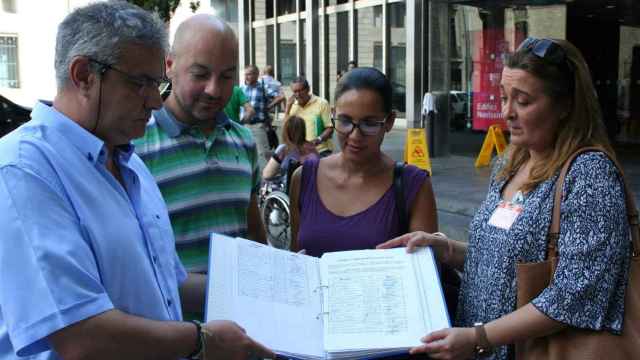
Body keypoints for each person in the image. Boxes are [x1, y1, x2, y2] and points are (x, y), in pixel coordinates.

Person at [0, 2, 273, 360]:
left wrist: (267, 289)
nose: (154, 102)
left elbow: (168, 283)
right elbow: (80, 336)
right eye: (140, 83)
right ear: (84, 75)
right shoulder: (22, 170)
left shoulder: (128, 162)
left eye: (156, 83)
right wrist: (203, 340)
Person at [378, 38, 632, 359]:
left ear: (566, 105)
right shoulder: (511, 160)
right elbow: (502, 260)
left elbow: (576, 294)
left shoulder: (589, 174)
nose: (506, 112)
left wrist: (479, 336)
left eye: (523, 101)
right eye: (503, 97)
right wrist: (445, 249)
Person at [135, 15, 267, 274]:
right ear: (169, 66)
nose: (214, 90)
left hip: (238, 313)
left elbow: (254, 235)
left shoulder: (243, 142)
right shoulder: (134, 145)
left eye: (227, 76)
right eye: (200, 74)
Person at [289, 67, 437, 257]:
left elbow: (425, 275)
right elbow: (295, 259)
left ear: (389, 121)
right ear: (333, 114)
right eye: (344, 121)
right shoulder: (303, 179)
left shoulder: (413, 186)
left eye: (369, 124)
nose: (355, 135)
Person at [241, 64, 285, 161]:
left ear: (256, 75)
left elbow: (281, 97)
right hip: (243, 126)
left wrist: (268, 107)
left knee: (263, 154)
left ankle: (266, 175)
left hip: (258, 125)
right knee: (246, 153)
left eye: (249, 74)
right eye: (245, 74)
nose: (246, 77)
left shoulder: (263, 88)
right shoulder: (242, 88)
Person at [284, 76, 334, 157]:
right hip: (299, 152)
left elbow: (330, 128)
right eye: (295, 92)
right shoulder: (292, 106)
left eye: (300, 90)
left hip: (320, 150)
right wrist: (287, 108)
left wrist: (318, 140)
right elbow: (286, 129)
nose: (298, 94)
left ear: (308, 89)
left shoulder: (321, 103)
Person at [262, 115, 318, 180]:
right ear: (303, 130)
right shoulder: (312, 147)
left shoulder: (284, 149)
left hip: (292, 187)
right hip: (311, 187)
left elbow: (267, 175)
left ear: (286, 131)